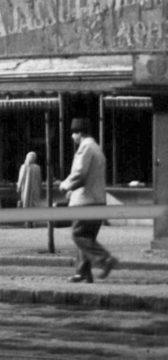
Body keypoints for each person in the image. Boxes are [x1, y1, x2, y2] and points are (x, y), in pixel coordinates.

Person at [60, 119, 117, 283]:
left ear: (80, 133)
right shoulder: (97, 149)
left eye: (73, 133)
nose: (72, 137)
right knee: (87, 238)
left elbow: (80, 174)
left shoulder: (85, 148)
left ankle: (104, 259)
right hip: (98, 200)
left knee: (78, 235)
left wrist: (65, 186)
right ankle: (83, 272)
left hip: (86, 201)